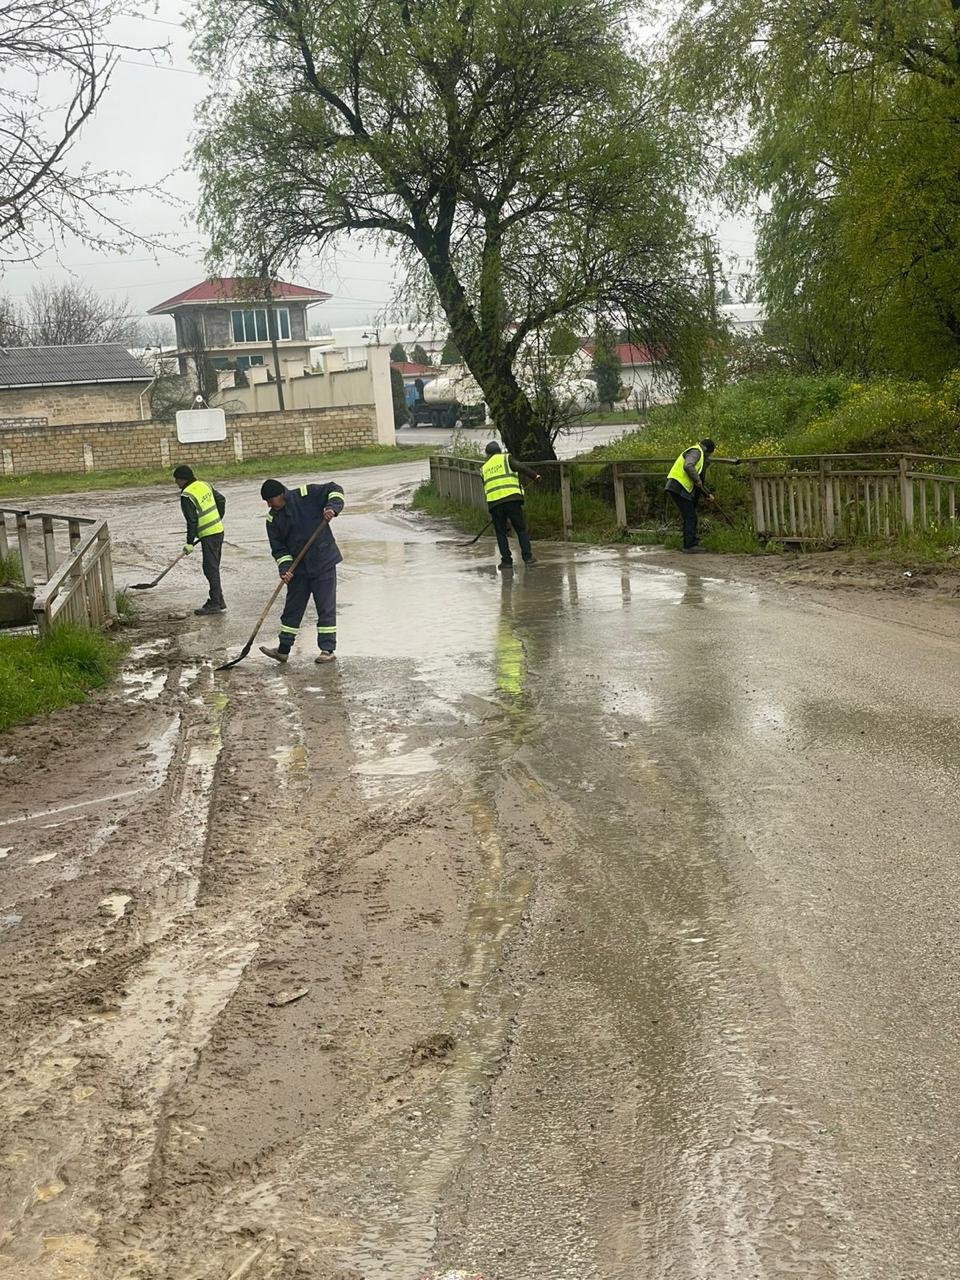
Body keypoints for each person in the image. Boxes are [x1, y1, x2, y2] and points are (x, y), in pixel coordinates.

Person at [258, 477, 345, 664]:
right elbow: (279, 549)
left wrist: (332, 507)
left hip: (323, 561)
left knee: (325, 607)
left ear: (281, 495)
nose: (269, 505)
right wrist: (285, 568)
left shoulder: (305, 495)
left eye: (271, 500)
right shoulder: (272, 519)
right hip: (298, 569)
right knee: (292, 610)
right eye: (266, 502)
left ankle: (327, 650)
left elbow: (334, 488)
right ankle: (283, 650)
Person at [173, 465, 226, 614]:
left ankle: (215, 603)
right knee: (212, 567)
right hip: (218, 530)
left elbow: (191, 520)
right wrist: (217, 518)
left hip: (209, 535)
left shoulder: (187, 495)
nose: (176, 483)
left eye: (176, 480)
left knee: (210, 568)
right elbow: (221, 500)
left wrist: (189, 542)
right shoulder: (204, 484)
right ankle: (219, 600)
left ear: (182, 480)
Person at [480, 441, 540, 570]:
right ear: (499, 451)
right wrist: (535, 476)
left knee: (501, 533)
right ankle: (528, 558)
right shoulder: (506, 458)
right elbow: (521, 467)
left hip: (495, 503)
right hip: (512, 500)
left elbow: (486, 485)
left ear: (488, 454)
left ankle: (506, 561)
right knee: (520, 529)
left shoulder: (484, 468)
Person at [665, 439, 716, 553]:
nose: (709, 457)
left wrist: (707, 494)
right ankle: (689, 546)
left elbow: (700, 483)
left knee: (689, 516)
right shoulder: (696, 452)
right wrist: (697, 479)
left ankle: (690, 542)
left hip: (676, 486)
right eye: (710, 454)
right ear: (707, 450)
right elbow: (688, 466)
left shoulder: (699, 454)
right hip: (679, 487)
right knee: (690, 516)